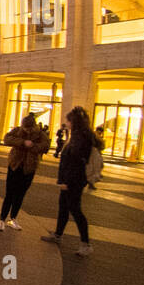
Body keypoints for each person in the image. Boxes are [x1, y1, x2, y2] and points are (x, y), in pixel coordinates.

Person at [42, 106, 96, 257]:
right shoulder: (76, 136)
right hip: (69, 179)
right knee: (63, 208)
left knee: (75, 210)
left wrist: (67, 181)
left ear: (75, 122)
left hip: (74, 181)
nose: (67, 123)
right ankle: (58, 235)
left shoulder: (81, 139)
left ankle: (86, 243)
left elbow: (76, 163)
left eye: (69, 121)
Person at [0, 113, 50, 231]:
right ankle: (2, 219)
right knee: (9, 193)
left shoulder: (40, 134)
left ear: (33, 127)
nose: (25, 129)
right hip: (15, 165)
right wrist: (22, 142)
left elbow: (45, 146)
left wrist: (32, 146)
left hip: (29, 167)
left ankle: (13, 218)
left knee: (20, 194)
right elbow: (7, 139)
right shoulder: (17, 130)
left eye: (27, 128)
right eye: (24, 127)